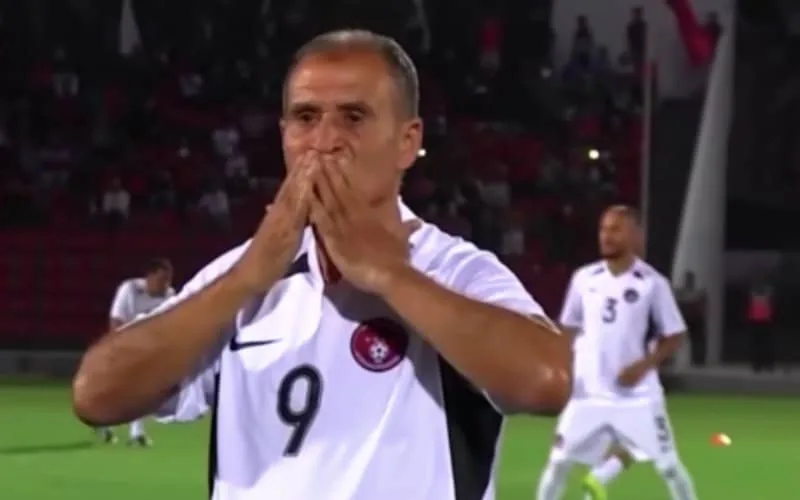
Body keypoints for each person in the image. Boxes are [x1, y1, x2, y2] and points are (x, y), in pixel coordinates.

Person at [72, 30, 571, 500]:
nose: (325, 139)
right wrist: (245, 279)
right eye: (306, 117)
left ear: (407, 141)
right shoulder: (246, 274)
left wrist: (389, 274)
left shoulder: (452, 270)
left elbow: (547, 380)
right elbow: (97, 395)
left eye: (354, 117)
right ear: (284, 136)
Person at [535, 205, 698, 500]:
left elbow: (675, 336)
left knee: (669, 467)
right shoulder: (584, 278)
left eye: (615, 229)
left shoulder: (652, 283)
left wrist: (643, 366)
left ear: (634, 235)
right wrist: (560, 367)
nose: (606, 236)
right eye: (603, 229)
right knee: (558, 463)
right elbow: (568, 328)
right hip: (587, 394)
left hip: (637, 397)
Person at [94, 258, 175, 446]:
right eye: (161, 279)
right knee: (116, 391)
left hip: (150, 348)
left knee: (144, 389)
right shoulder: (129, 289)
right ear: (149, 277)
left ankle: (136, 433)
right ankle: (103, 422)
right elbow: (116, 320)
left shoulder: (170, 295)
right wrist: (120, 348)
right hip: (125, 343)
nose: (165, 284)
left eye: (168, 280)